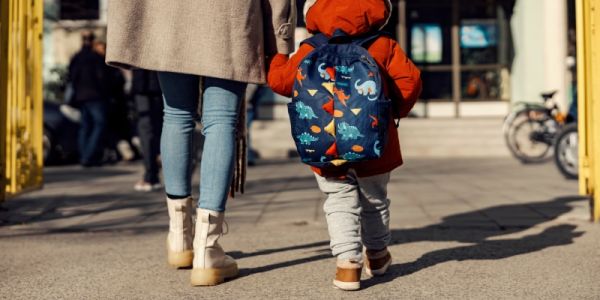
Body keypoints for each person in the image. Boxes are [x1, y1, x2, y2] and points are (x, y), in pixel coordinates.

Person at [106, 1, 296, 286]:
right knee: (220, 120)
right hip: (228, 15)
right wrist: (281, 38)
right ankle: (207, 249)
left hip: (169, 13)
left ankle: (179, 238)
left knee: (176, 115)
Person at [267, 0, 422, 291]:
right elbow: (410, 82)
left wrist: (278, 58)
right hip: (375, 141)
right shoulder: (384, 46)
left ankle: (347, 265)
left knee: (338, 200)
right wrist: (392, 112)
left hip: (324, 142)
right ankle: (376, 257)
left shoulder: (309, 49)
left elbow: (279, 81)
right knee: (374, 200)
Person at [68, 31, 109, 167]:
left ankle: (85, 155)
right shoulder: (95, 58)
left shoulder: (77, 57)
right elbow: (103, 77)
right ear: (92, 41)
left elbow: (71, 77)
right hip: (95, 96)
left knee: (85, 126)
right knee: (99, 124)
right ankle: (88, 156)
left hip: (81, 96)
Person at [131, 69, 164, 192]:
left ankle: (151, 176)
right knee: (161, 126)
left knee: (146, 129)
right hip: (162, 81)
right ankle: (153, 173)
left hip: (144, 85)